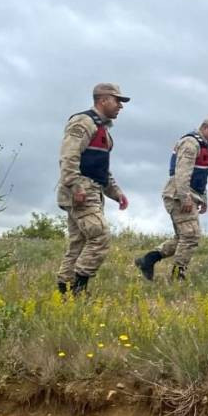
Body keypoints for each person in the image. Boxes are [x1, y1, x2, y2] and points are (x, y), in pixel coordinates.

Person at [55, 83, 130, 295]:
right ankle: (78, 290)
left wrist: (116, 193)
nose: (120, 106)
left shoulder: (102, 129)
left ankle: (65, 292)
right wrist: (75, 186)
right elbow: (69, 156)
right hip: (81, 192)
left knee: (78, 243)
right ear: (103, 100)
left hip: (90, 190)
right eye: (117, 101)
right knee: (100, 236)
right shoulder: (83, 122)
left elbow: (100, 167)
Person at [134, 116, 208, 281]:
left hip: (190, 195)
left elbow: (201, 176)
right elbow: (182, 173)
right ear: (205, 128)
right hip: (179, 195)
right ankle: (177, 277)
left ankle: (148, 260)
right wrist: (185, 198)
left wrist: (203, 198)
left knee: (183, 237)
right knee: (191, 235)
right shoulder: (191, 143)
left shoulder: (204, 148)